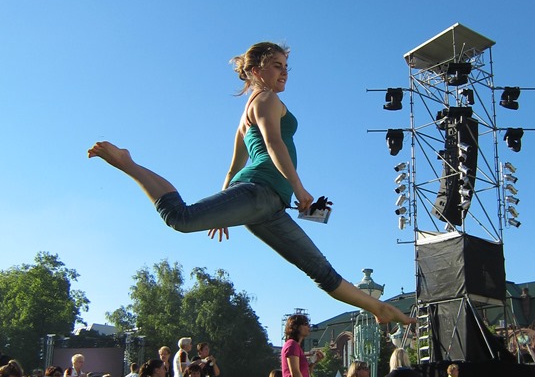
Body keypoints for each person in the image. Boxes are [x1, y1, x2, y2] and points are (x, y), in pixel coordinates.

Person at [87, 42, 416, 329]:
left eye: (286, 67)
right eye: (277, 66)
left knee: (319, 270)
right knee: (181, 218)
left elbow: (234, 166)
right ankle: (128, 163)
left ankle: (378, 308)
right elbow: (273, 144)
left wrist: (224, 207)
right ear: (256, 70)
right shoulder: (266, 100)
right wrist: (298, 188)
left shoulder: (250, 111)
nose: (284, 72)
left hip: (267, 207)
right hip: (259, 194)